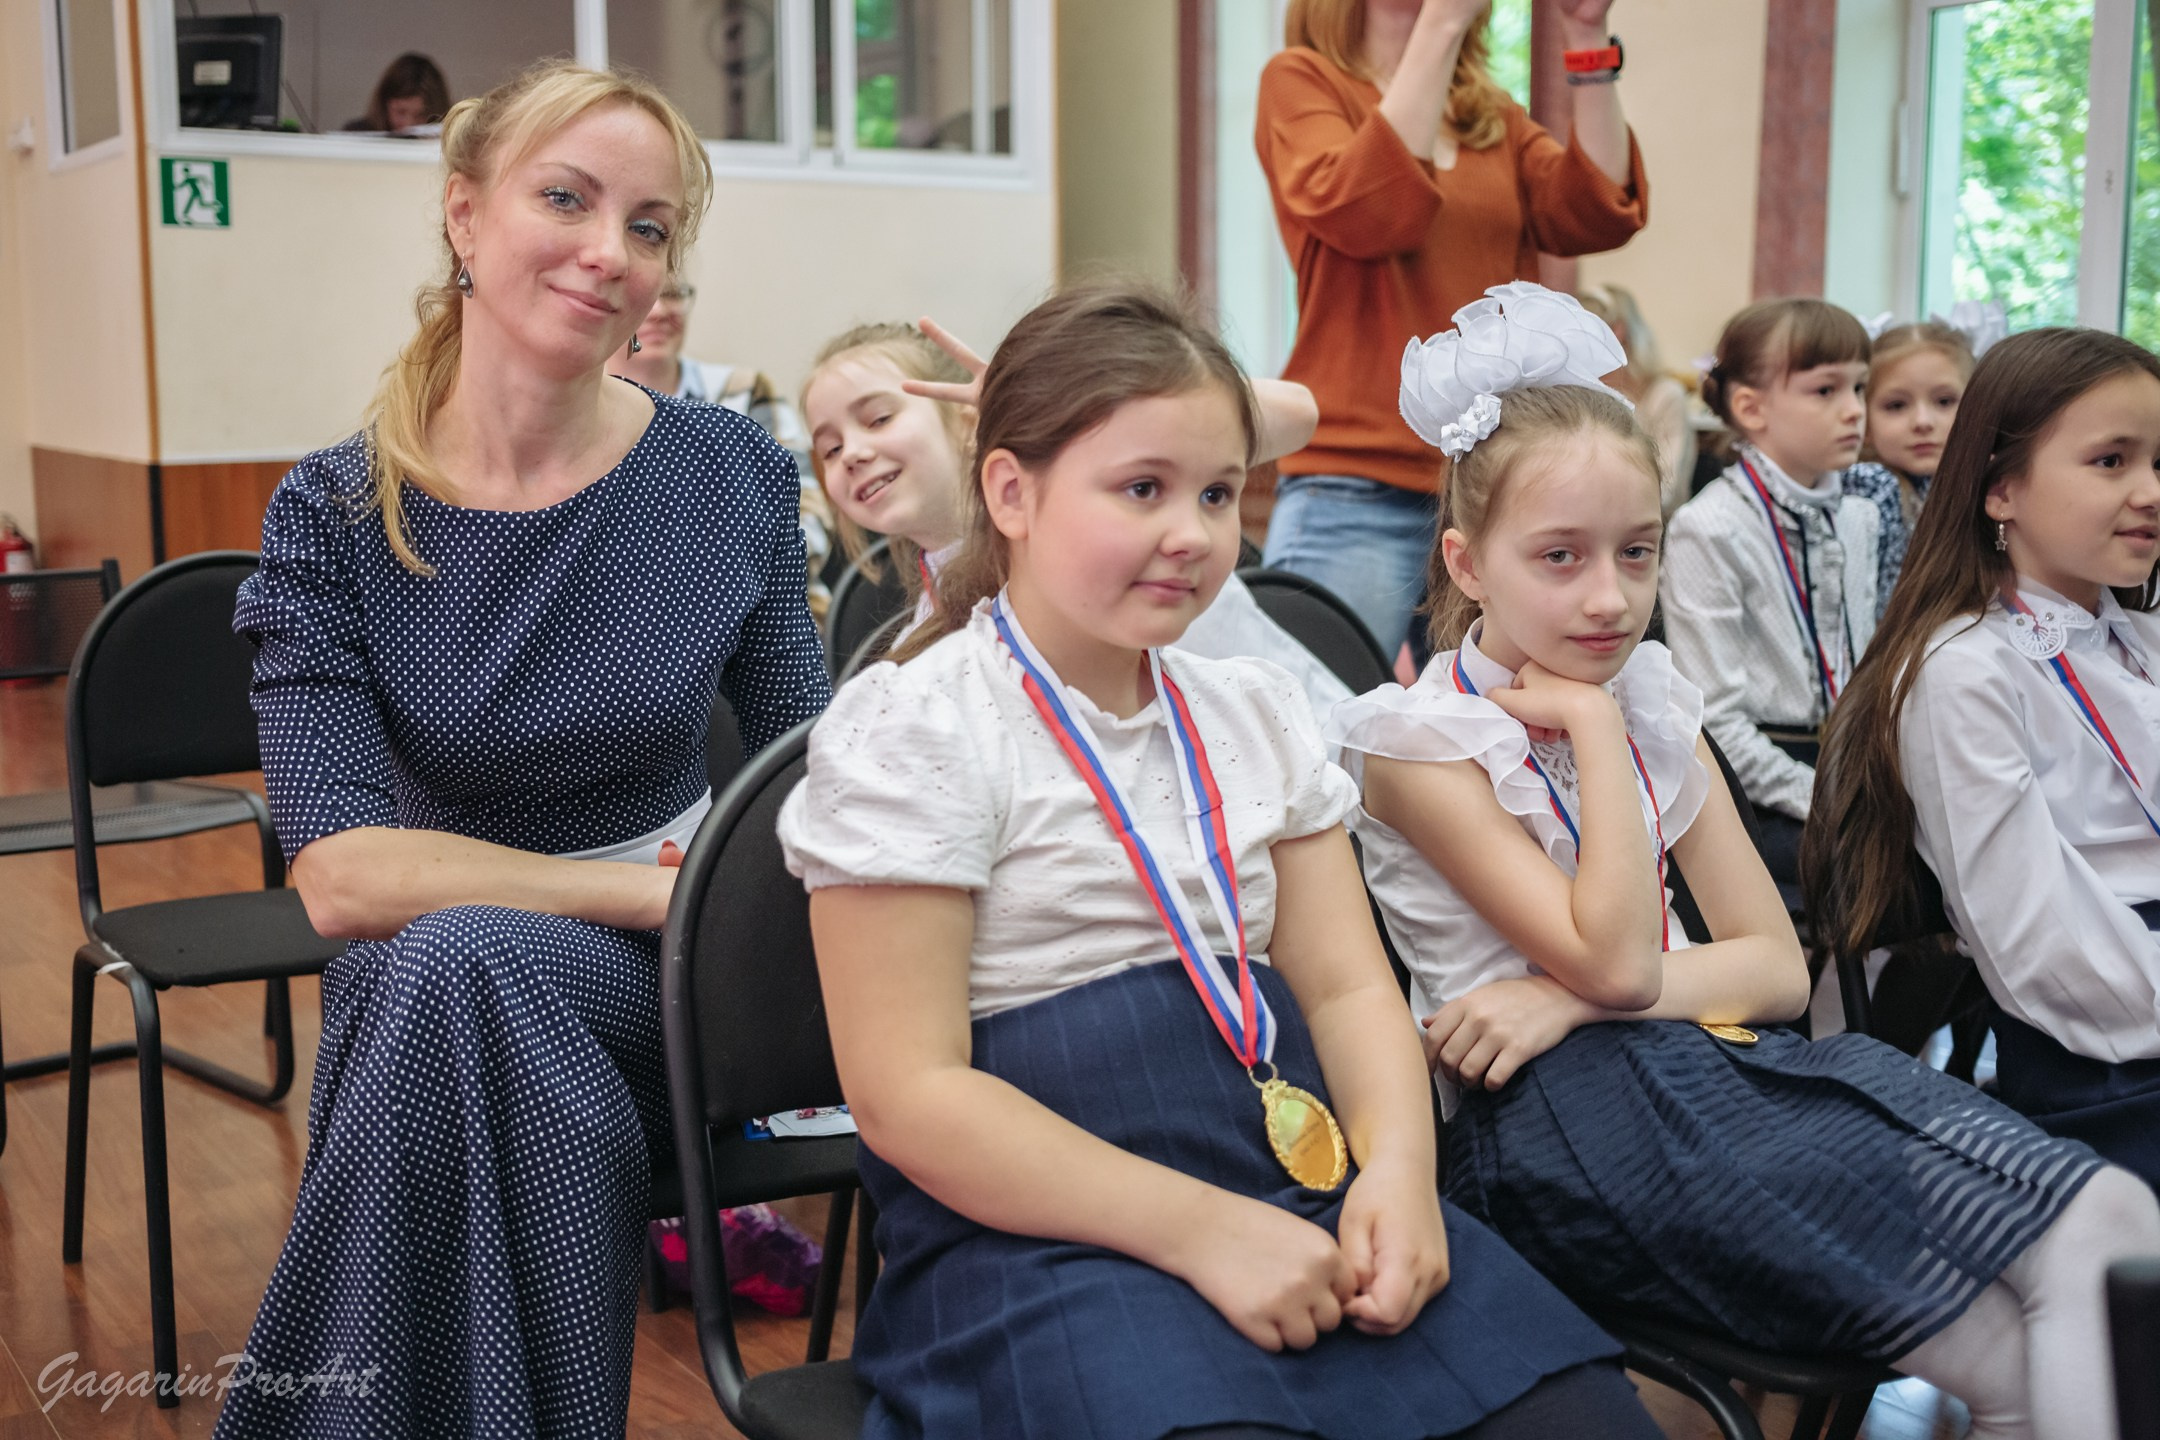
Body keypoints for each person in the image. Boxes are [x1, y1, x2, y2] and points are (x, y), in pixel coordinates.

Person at [778, 283, 1663, 1440]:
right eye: (1141, 489)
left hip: (1302, 1182)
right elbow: (908, 1096)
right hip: (1041, 1232)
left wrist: (1399, 1173)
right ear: (1011, 491)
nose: (1195, 533)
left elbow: (1346, 987)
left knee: (1581, 1420)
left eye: (1216, 491)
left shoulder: (1252, 711)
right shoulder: (916, 726)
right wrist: (1203, 1231)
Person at [1335, 285, 2160, 1440]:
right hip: (1559, 1132)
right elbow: (1618, 962)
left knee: (2103, 1243)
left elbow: (1775, 966)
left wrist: (1553, 1000)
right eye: (1560, 557)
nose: (1611, 598)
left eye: (1637, 552)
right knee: (2079, 1268)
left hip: (1717, 1070)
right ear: (1468, 563)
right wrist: (1598, 731)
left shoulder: (1649, 694)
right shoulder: (1417, 743)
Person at [218, 62, 829, 1437]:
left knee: (447, 967)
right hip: (511, 963)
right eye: (567, 199)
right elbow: (338, 883)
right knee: (454, 973)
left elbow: (814, 772)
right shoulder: (329, 512)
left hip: (679, 990)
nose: (613, 254)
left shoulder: (730, 471)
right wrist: (643, 884)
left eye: (653, 225)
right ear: (463, 218)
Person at [1808, 327, 2160, 1190]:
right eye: (2112, 461)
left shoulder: (2139, 636)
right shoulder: (1964, 667)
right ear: (2002, 488)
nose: (2151, 492)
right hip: (2108, 1050)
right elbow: (2037, 942)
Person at [1254, 0, 1648, 656]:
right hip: (1357, 481)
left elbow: (1598, 211)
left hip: (1491, 483)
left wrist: (1585, 35)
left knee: (1501, 727)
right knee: (1315, 723)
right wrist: (1442, 21)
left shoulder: (1492, 116)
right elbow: (1377, 212)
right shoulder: (1303, 81)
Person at [802, 316, 1354, 719]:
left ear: (969, 422)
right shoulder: (925, 628)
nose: (851, 452)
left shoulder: (1105, 521)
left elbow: (1300, 413)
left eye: (877, 419)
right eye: (828, 449)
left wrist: (1043, 408)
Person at [1660, 298, 1880, 892]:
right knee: (1908, 872)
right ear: (1750, 408)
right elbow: (1715, 724)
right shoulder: (1709, 527)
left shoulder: (1858, 518)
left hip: (1844, 764)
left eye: (1860, 387)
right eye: (1825, 391)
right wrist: (1828, 803)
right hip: (1753, 786)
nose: (1854, 411)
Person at [609, 277, 833, 607]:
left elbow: (807, 518)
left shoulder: (745, 392)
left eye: (673, 294)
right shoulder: (574, 406)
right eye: (645, 294)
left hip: (770, 613)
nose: (659, 311)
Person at [1845, 320, 1976, 618]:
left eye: (1944, 401)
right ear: (1863, 418)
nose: (1922, 421)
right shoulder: (1873, 490)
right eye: (1896, 405)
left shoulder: (1975, 486)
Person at [1575, 282, 1696, 518]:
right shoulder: (1586, 393)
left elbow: (1667, 491)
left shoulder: (1665, 395)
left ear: (1617, 331)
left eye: (1580, 334)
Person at [343, 52, 451, 133]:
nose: (409, 124)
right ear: (384, 104)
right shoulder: (355, 136)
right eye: (400, 112)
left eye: (420, 115)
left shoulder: (453, 142)